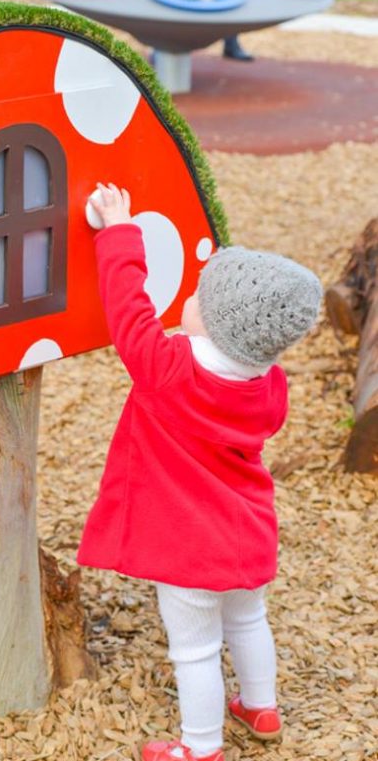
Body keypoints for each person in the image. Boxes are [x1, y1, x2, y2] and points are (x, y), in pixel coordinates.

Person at [77, 183, 322, 761]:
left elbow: (127, 310)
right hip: (247, 535)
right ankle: (262, 708)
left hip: (188, 550)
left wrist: (117, 229)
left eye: (195, 298)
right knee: (249, 619)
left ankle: (201, 746)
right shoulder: (269, 386)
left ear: (212, 324)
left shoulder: (167, 370)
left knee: (195, 650)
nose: (186, 301)